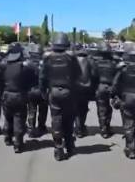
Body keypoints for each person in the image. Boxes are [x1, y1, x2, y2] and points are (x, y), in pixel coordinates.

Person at [40, 33, 79, 161]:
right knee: (68, 120)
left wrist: (43, 92)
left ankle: (58, 147)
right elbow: (78, 74)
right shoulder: (71, 57)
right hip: (69, 92)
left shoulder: (47, 57)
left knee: (56, 119)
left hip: (54, 92)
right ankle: (70, 145)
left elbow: (42, 77)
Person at [0, 43, 33, 153]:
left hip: (6, 95)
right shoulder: (24, 68)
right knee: (19, 118)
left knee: (8, 117)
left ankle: (7, 138)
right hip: (19, 95)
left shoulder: (3, 66)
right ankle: (18, 143)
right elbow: (32, 80)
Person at [94, 41, 117, 139]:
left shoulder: (96, 63)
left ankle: (104, 128)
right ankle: (106, 126)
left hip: (100, 87)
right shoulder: (114, 63)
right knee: (108, 109)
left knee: (102, 108)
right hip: (111, 87)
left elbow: (93, 76)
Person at [26, 44, 48, 138]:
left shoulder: (27, 64)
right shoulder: (45, 64)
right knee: (43, 110)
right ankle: (41, 127)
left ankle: (31, 129)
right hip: (42, 91)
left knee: (31, 110)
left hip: (31, 91)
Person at [74, 47, 94, 138]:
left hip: (75, 88)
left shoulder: (72, 60)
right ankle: (80, 127)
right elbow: (94, 74)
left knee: (76, 109)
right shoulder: (90, 61)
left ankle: (78, 128)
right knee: (83, 109)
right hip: (86, 88)